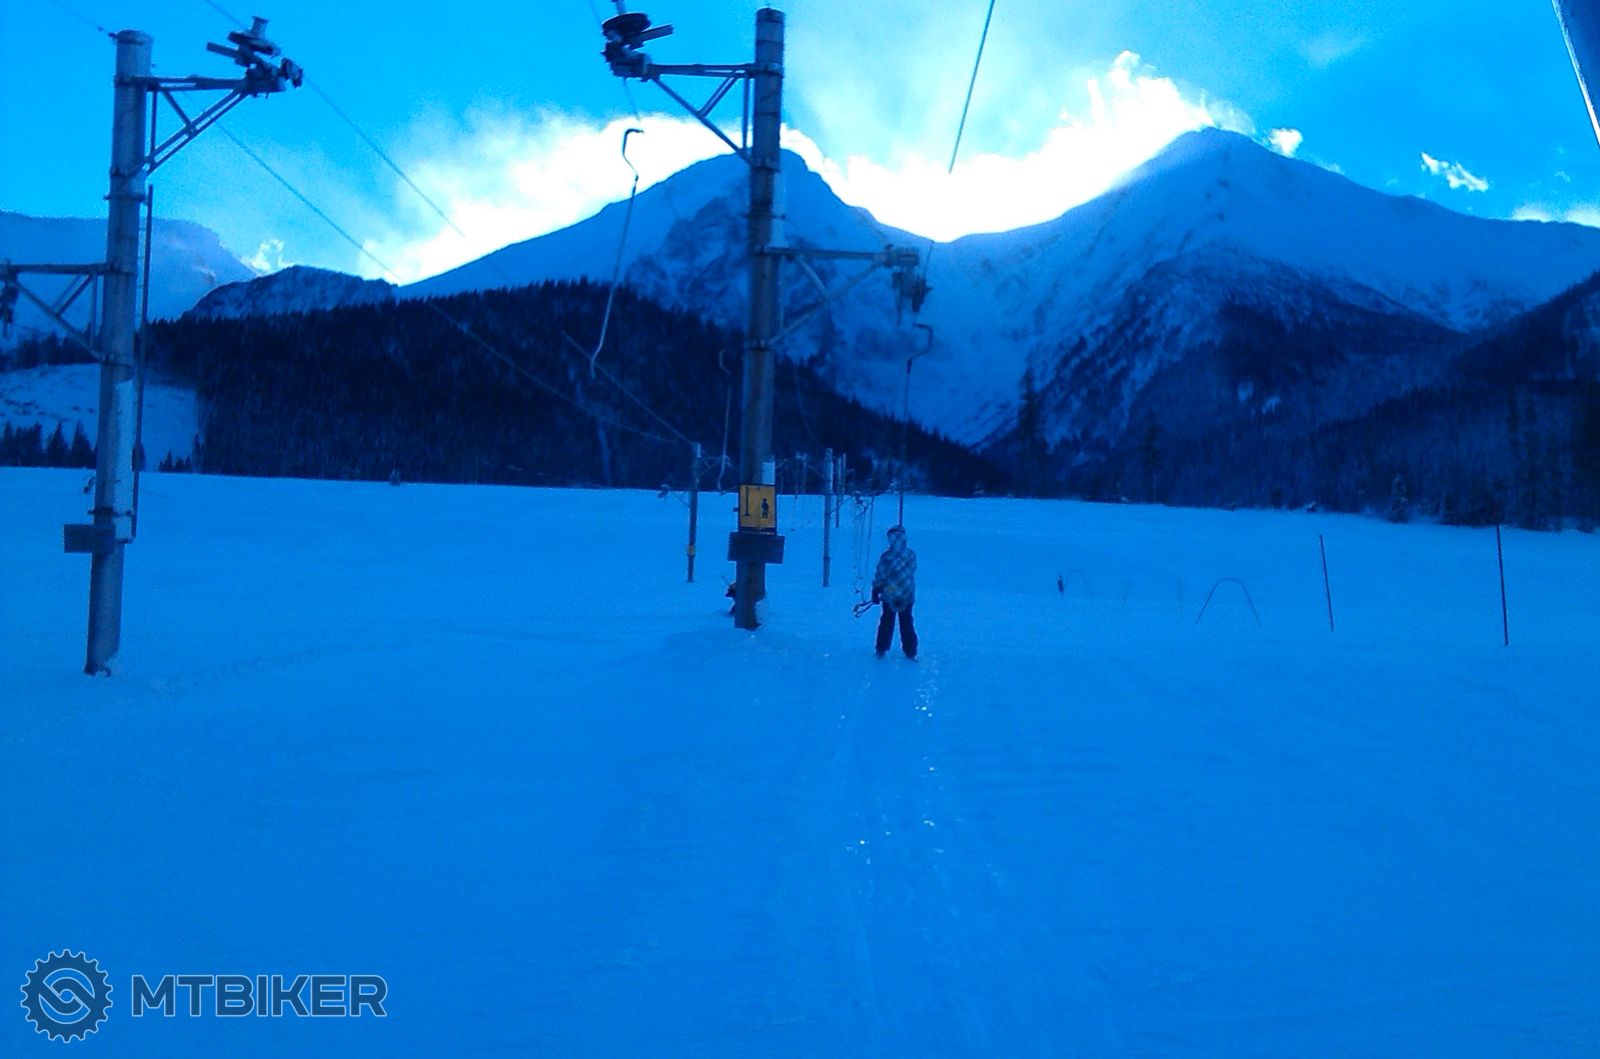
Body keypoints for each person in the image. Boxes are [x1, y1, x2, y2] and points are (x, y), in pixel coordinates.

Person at [871, 524, 919, 660]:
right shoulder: (910, 554)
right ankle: (910, 651)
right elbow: (912, 570)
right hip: (907, 593)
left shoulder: (886, 557)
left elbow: (881, 574)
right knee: (907, 622)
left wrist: (876, 589)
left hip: (890, 592)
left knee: (886, 621)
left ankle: (881, 648)